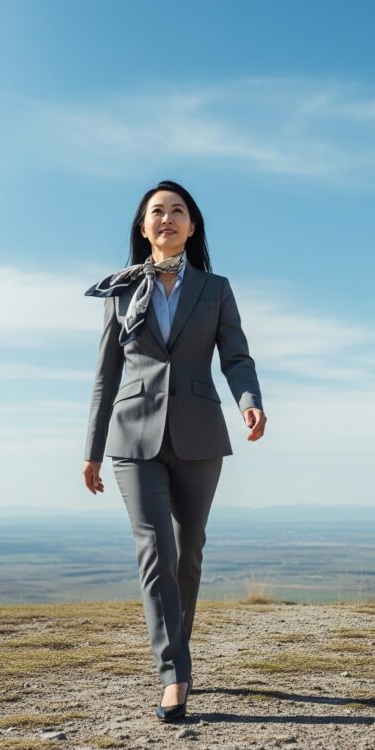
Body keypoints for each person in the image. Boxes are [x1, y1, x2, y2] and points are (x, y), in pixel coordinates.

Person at [82, 179, 266, 722]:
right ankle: (175, 675)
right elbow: (104, 377)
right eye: (156, 212)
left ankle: (176, 656)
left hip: (200, 434)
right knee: (156, 552)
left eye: (177, 211)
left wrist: (249, 399)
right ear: (144, 228)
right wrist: (91, 450)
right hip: (132, 438)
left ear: (191, 226)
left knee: (188, 554)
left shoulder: (216, 289)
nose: (167, 218)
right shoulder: (120, 292)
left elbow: (236, 355)